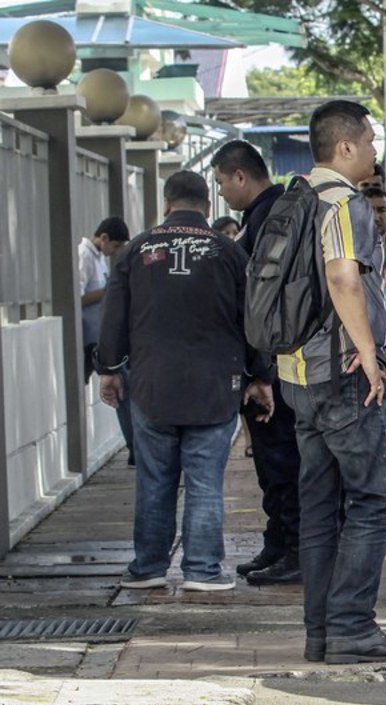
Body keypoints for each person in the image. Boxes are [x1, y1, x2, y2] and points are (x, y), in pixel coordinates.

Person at [275, 100, 386, 665]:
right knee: (377, 501)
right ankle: (353, 627)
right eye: (371, 142)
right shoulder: (341, 203)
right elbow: (342, 277)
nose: (375, 154)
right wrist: (370, 352)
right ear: (346, 147)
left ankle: (322, 633)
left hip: (298, 376)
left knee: (319, 508)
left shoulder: (294, 198)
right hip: (343, 376)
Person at [95, 171, 273, 592]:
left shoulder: (135, 251)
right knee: (205, 480)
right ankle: (202, 569)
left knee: (154, 478)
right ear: (208, 208)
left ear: (166, 204)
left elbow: (113, 317)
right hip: (215, 385)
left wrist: (109, 369)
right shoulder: (229, 253)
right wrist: (259, 375)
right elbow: (253, 320)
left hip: (151, 384)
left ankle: (148, 567)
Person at [211, 140, 304, 587]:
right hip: (270, 363)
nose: (223, 194)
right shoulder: (262, 216)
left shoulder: (273, 216)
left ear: (240, 176)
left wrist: (262, 370)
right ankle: (278, 541)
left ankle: (295, 548)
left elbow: (266, 301)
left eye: (223, 183)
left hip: (277, 366)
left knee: (283, 461)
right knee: (272, 464)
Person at [79, 217, 134, 461]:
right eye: (116, 246)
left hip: (98, 332)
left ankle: (135, 445)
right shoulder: (85, 256)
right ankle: (135, 446)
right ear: (103, 238)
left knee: (124, 384)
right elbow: (76, 297)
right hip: (87, 335)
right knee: (120, 385)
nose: (116, 252)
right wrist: (109, 291)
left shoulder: (99, 258)